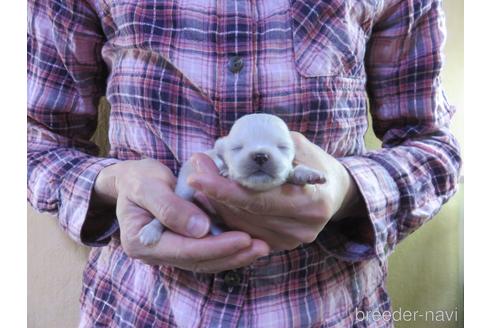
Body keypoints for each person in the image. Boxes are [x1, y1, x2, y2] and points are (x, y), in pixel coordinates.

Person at [27, 0, 461, 326]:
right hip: (140, 308)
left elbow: (433, 145)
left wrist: (347, 190)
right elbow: (33, 139)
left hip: (331, 310)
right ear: (221, 151)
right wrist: (113, 184)